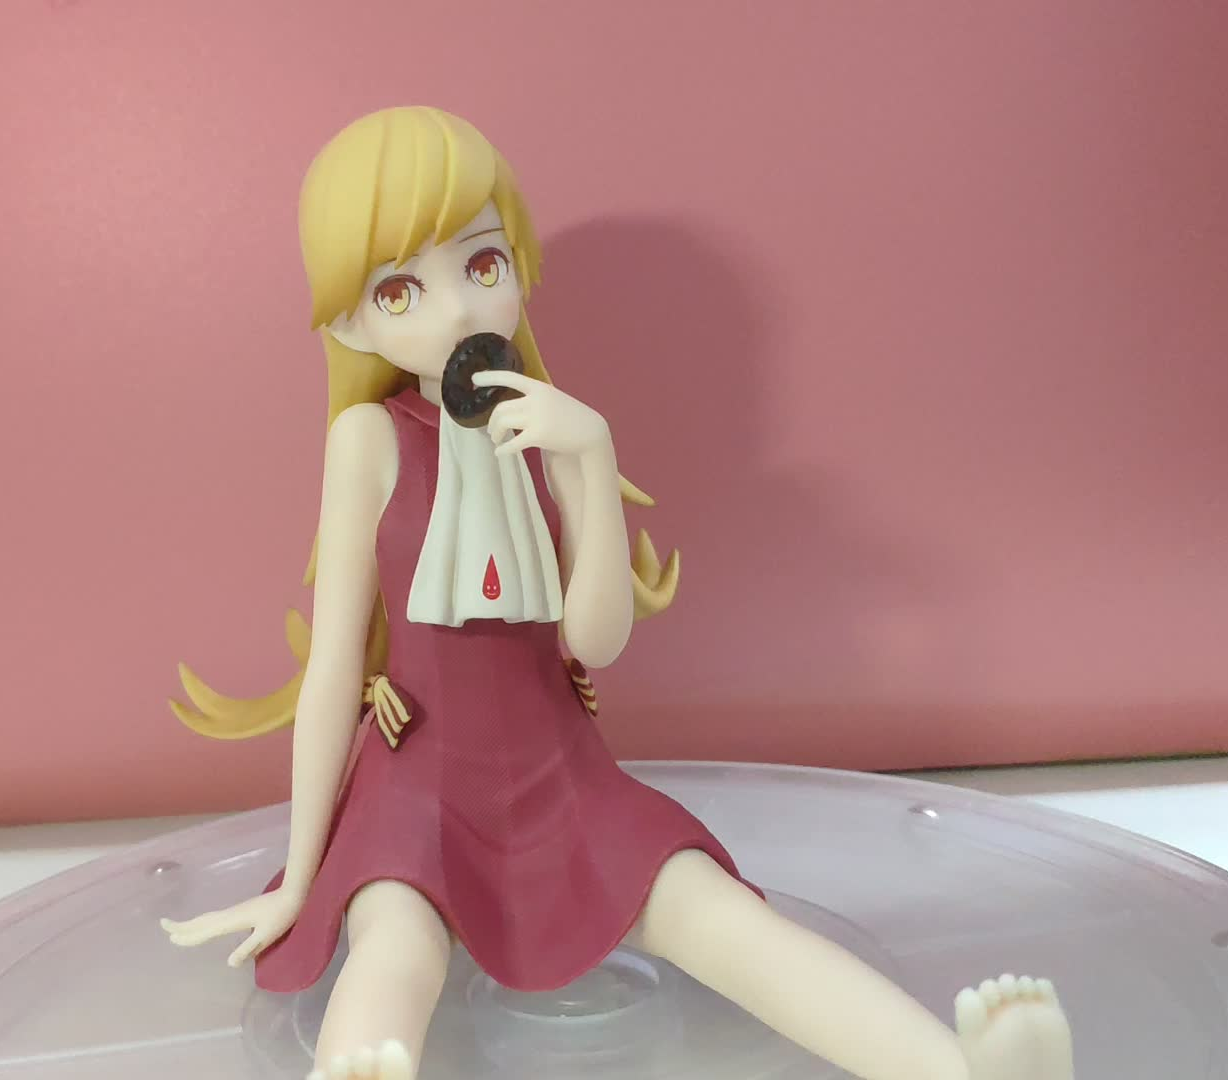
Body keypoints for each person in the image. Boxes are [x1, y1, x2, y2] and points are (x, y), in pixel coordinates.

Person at [160, 106, 1075, 1080]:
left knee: (717, 915)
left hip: (561, 776)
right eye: (400, 289)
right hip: (416, 783)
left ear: (516, 264)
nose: (458, 311)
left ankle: (963, 1071)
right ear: (351, 319)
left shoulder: (555, 431)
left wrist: (590, 460)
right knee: (394, 943)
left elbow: (594, 642)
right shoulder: (369, 441)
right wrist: (300, 877)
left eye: (481, 265)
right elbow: (336, 665)